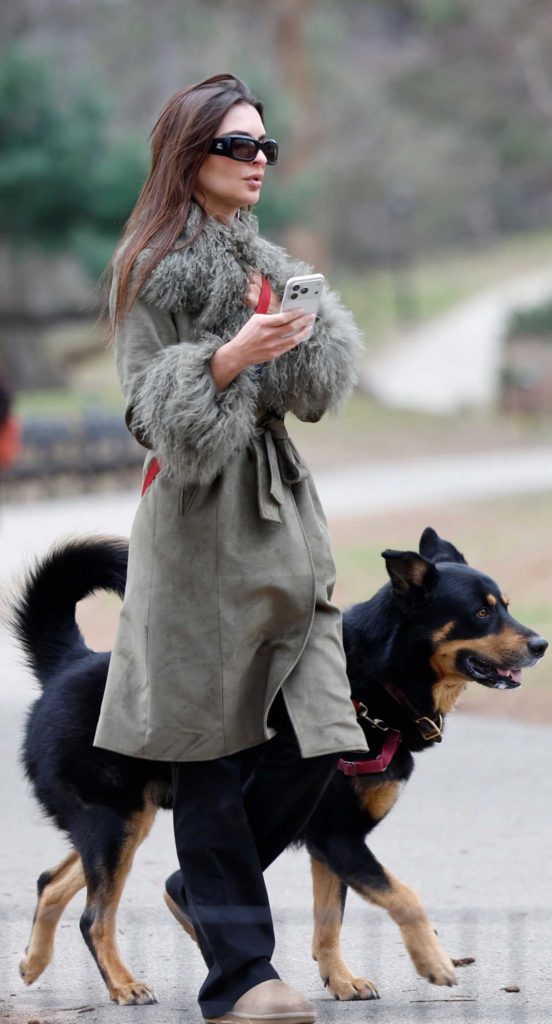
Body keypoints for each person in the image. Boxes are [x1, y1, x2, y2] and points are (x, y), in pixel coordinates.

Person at [93, 73, 368, 1024]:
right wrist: (227, 358)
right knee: (209, 748)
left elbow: (312, 396)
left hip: (283, 521)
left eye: (265, 148)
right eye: (237, 147)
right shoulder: (146, 268)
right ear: (188, 156)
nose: (258, 163)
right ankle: (242, 978)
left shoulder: (269, 262)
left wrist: (300, 338)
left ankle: (205, 893)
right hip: (196, 528)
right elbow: (145, 411)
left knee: (325, 729)